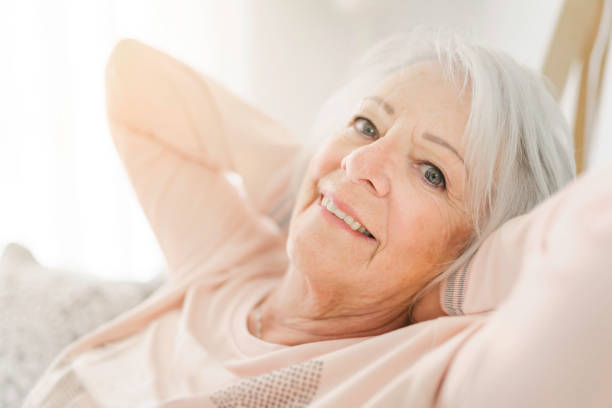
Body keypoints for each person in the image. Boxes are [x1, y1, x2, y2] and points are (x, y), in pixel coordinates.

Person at [25, 27, 612, 408]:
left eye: (431, 172)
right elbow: (133, 81)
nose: (363, 160)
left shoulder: (418, 376)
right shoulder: (233, 263)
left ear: (480, 249)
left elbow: (594, 250)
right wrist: (308, 184)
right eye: (367, 125)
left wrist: (454, 286)